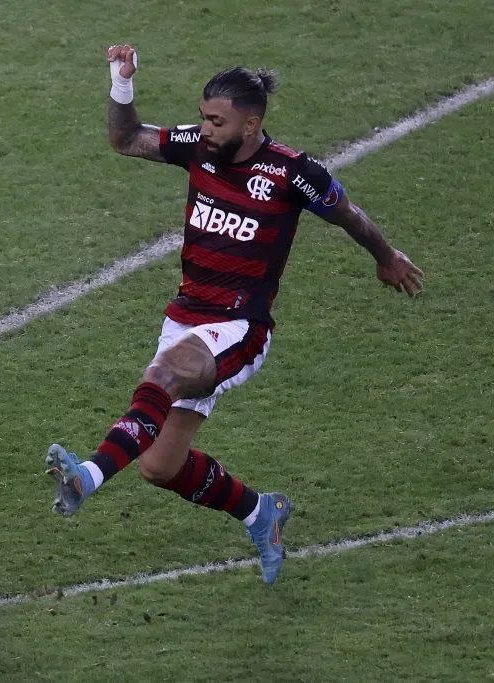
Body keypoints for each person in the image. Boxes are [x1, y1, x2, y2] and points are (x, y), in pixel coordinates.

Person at [45, 44, 424, 584]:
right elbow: (126, 139)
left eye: (215, 121)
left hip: (239, 327)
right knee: (159, 466)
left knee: (162, 376)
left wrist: (386, 257)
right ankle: (259, 512)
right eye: (202, 117)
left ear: (252, 124)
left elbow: (347, 213)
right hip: (186, 316)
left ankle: (86, 475)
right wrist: (121, 84)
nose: (203, 128)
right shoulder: (198, 150)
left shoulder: (293, 172)